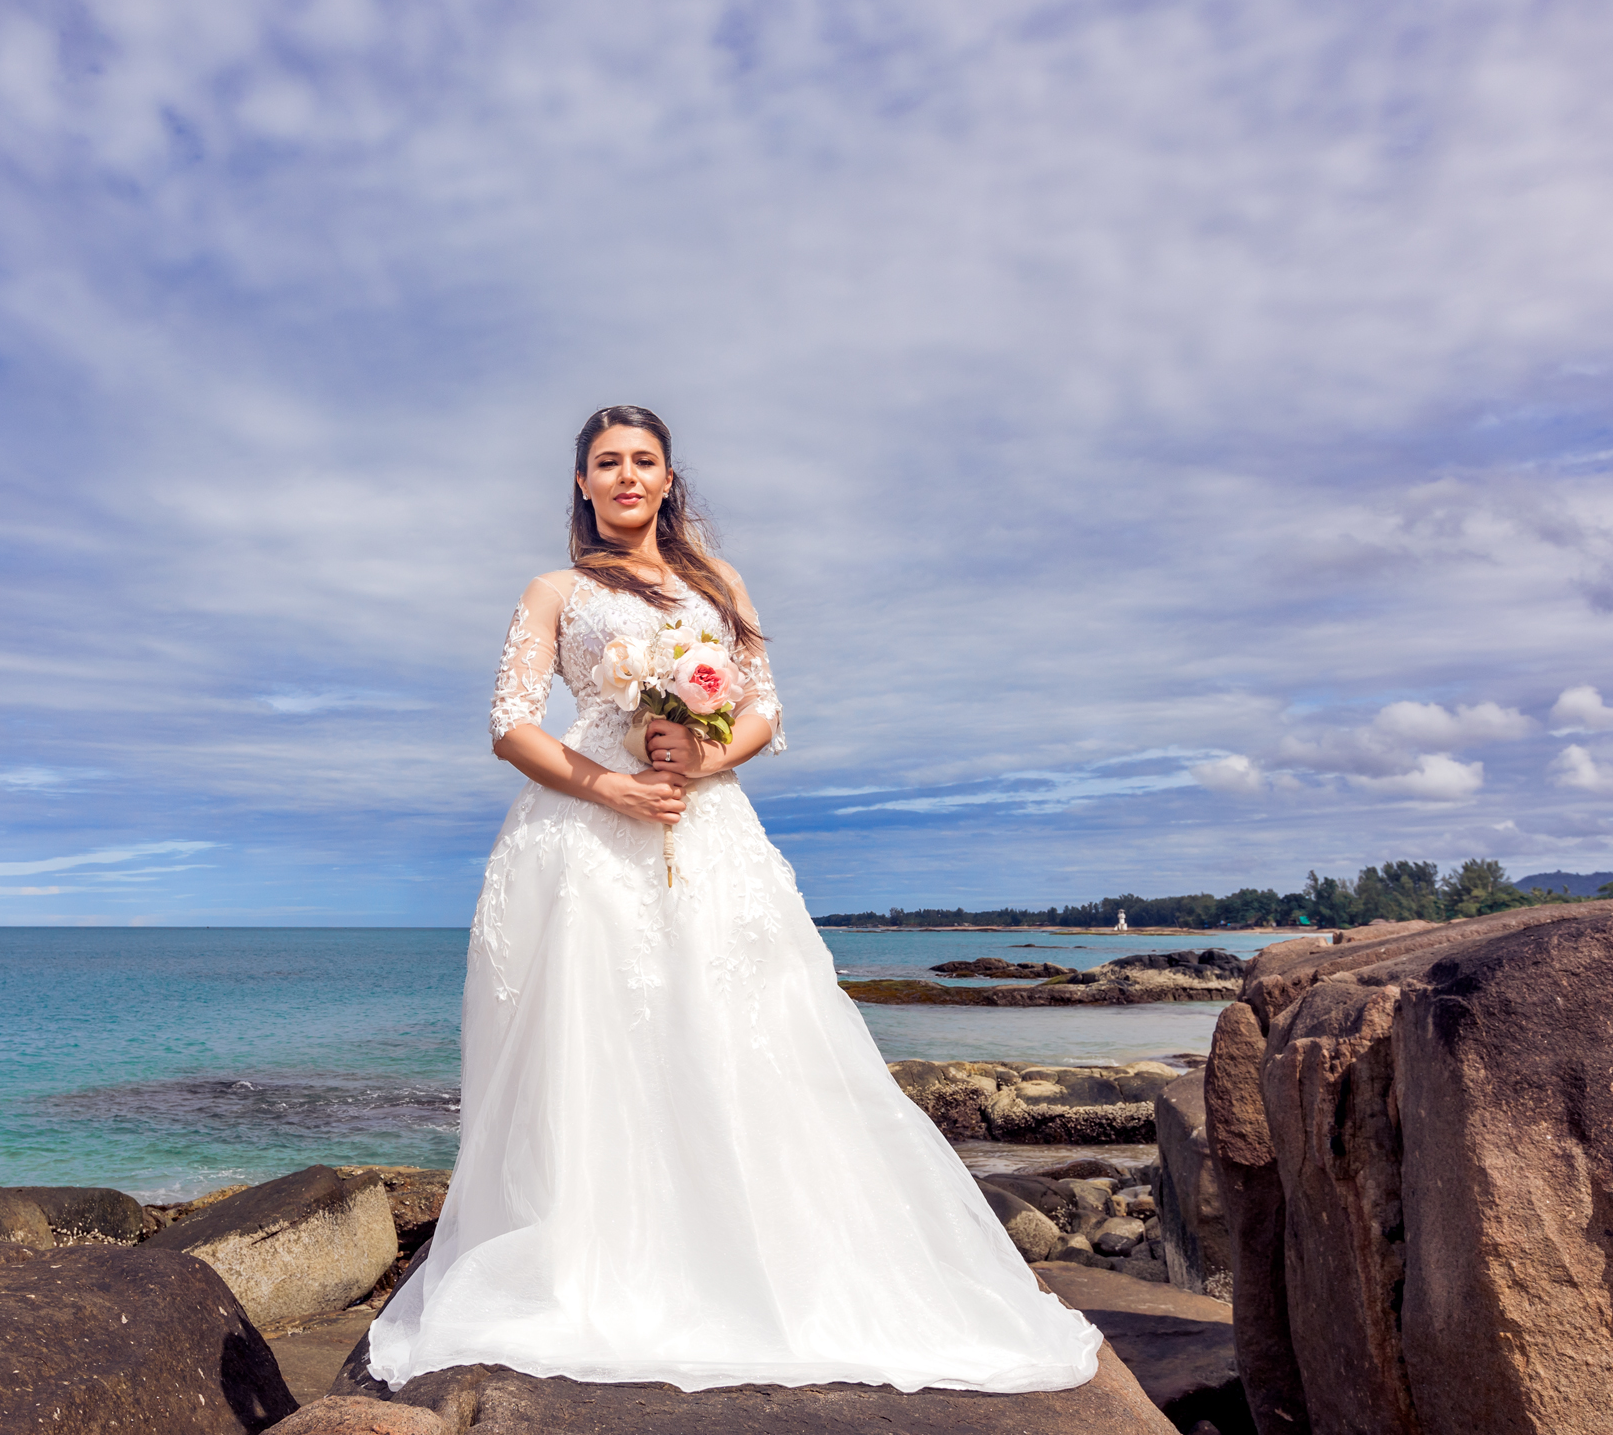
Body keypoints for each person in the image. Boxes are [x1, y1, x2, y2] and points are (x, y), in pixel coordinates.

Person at [364, 405, 1102, 1395]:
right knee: (597, 1039)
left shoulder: (719, 585)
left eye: (644, 461)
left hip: (708, 829)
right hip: (585, 839)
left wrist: (701, 754)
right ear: (581, 484)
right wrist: (610, 782)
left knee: (738, 1024)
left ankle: (756, 1255)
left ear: (669, 480)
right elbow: (510, 725)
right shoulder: (554, 590)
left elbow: (764, 707)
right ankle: (598, 1259)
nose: (626, 476)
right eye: (606, 463)